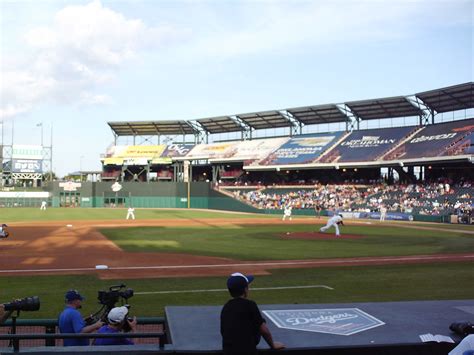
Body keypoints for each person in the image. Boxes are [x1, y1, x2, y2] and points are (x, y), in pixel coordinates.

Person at [220, 272, 285, 355]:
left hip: (228, 350)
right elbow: (264, 331)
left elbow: (223, 332)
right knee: (261, 321)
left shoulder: (226, 307)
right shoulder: (250, 305)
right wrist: (272, 345)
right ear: (245, 289)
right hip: (248, 350)